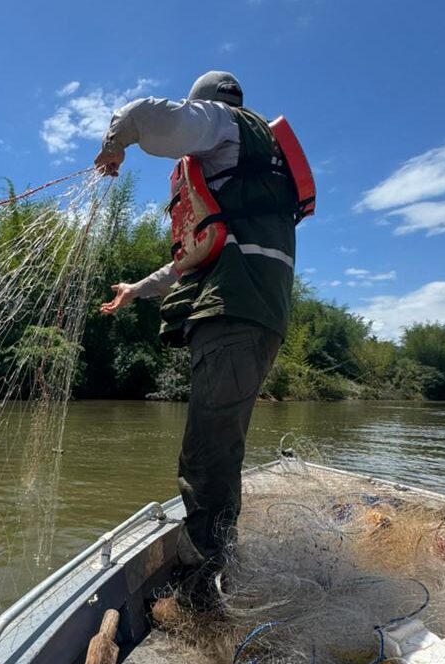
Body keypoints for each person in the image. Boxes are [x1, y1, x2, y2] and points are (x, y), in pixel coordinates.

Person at [95, 71, 297, 611]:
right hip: (258, 314)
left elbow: (142, 115)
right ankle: (218, 555)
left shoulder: (222, 124)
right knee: (221, 445)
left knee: (206, 454)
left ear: (204, 105)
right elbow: (199, 249)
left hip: (233, 313)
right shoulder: (256, 160)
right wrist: (137, 290)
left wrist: (113, 147)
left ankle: (205, 585)